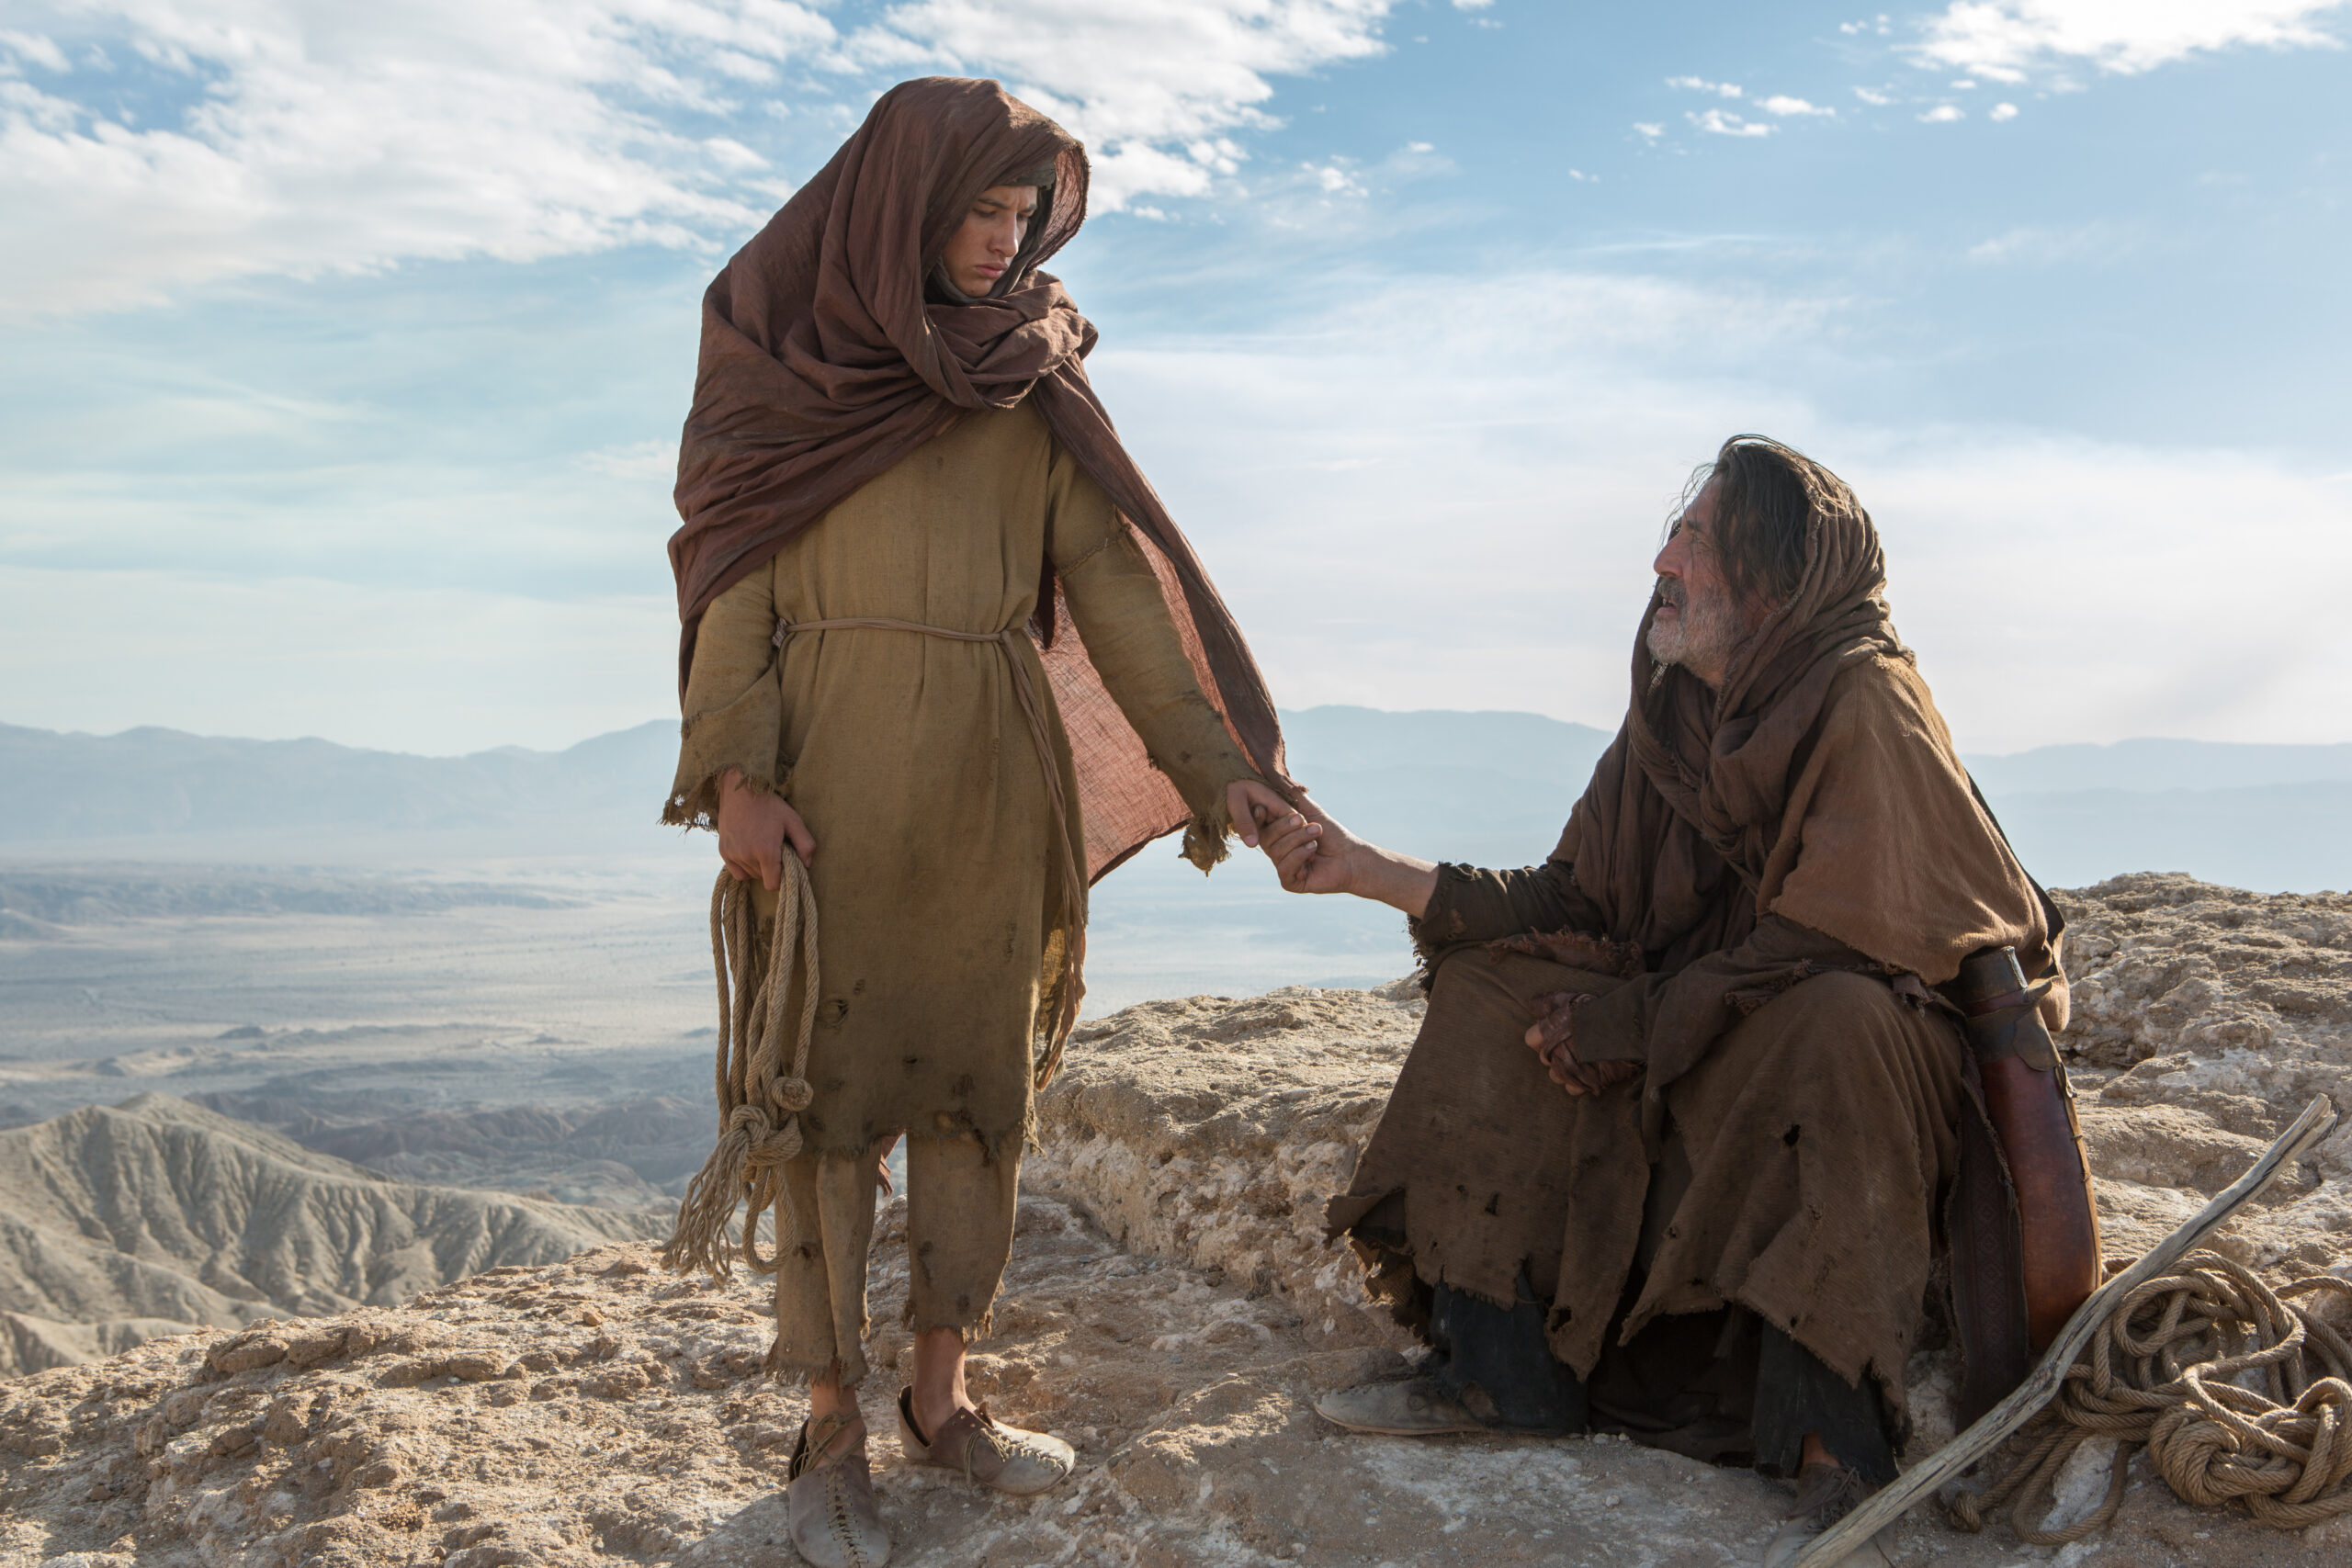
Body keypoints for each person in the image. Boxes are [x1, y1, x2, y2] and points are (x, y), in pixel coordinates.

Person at [659, 78, 1297, 1568]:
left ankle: (942, 1394)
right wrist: (737, 779)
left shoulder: (1031, 379)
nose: (1004, 241)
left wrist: (1218, 770)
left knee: (975, 1097)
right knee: (821, 1107)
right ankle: (827, 1429)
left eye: (1025, 215)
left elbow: (1123, 597)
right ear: (902, 206)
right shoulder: (794, 372)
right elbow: (734, 593)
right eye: (981, 209)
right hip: (824, 789)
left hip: (991, 792)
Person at [1252, 436, 2069, 1565]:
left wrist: (1634, 1025)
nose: (1660, 562)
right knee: (1495, 987)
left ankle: (1832, 1441)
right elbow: (1572, 890)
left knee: (1840, 1021)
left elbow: (1838, 942)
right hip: (1706, 1026)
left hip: (1851, 1060)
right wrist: (1364, 869)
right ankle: (1502, 1373)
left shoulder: (1866, 702)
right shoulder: (1677, 712)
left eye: (1695, 541)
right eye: (1674, 534)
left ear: (1773, 588)